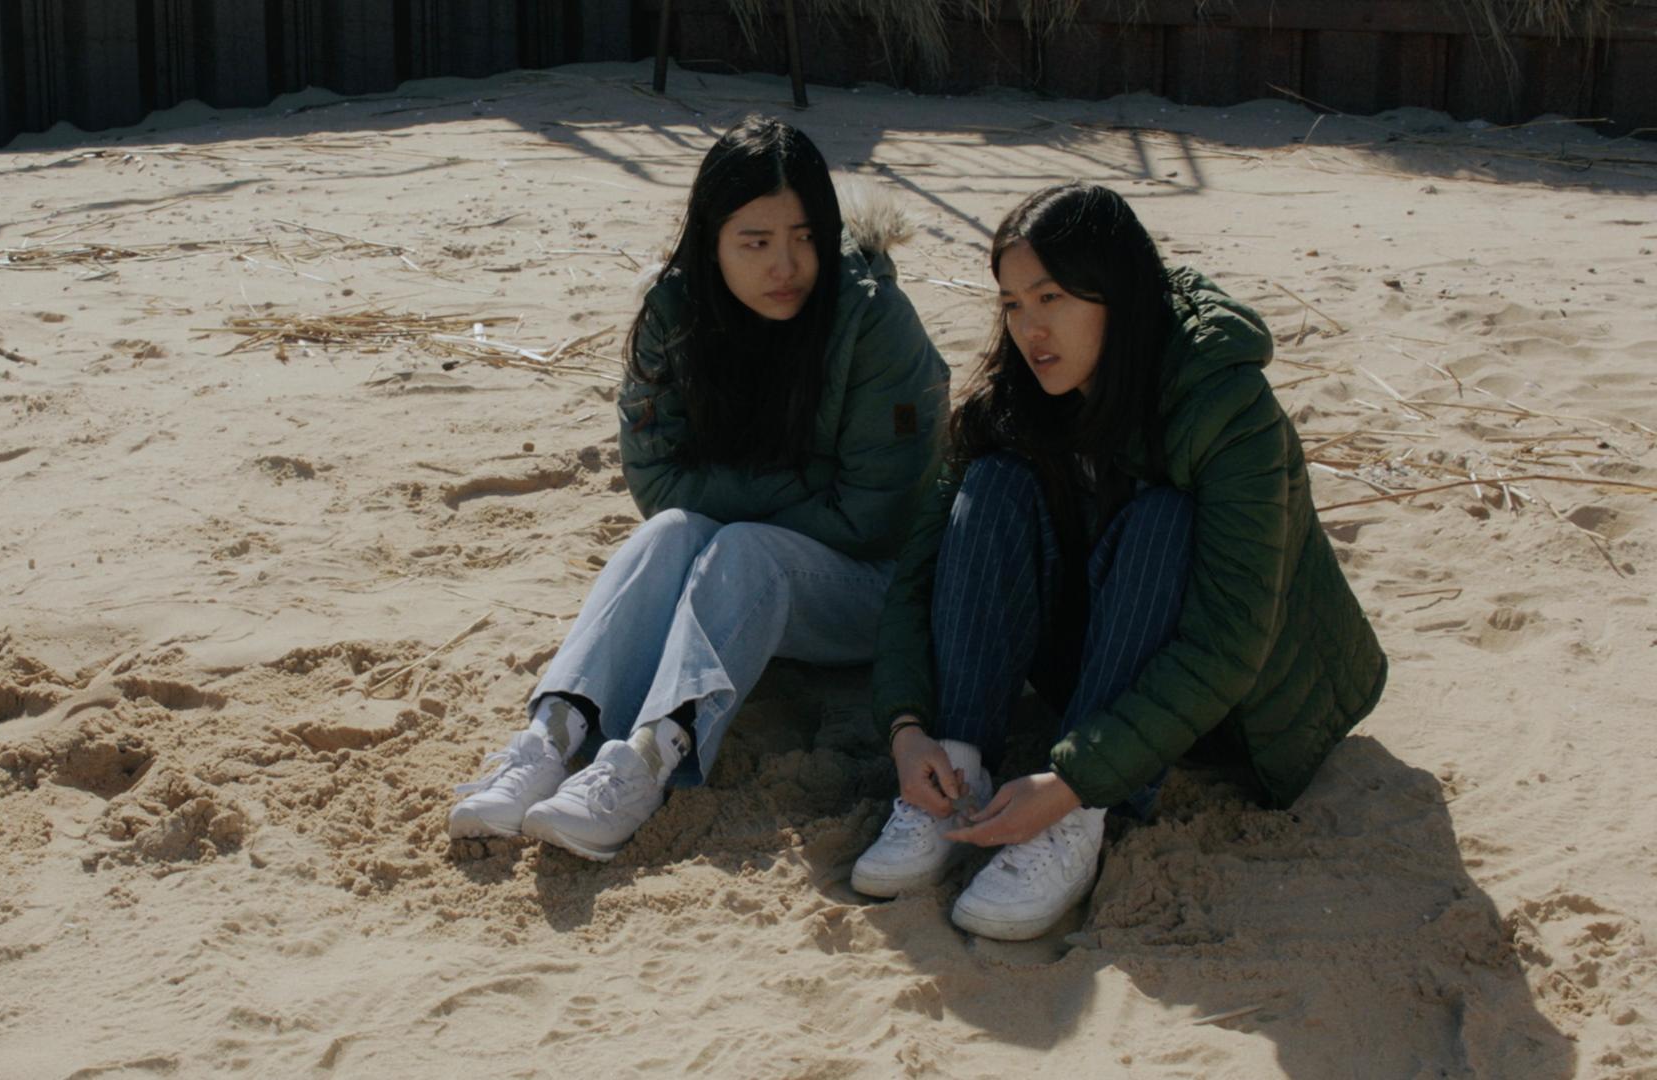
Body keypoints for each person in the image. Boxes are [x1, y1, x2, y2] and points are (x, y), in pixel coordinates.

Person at [851, 181, 1387, 939]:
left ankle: (1078, 822)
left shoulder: (1226, 407)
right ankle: (957, 771)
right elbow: (920, 576)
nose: (1031, 330)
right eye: (1012, 304)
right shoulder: (1020, 393)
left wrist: (1074, 783)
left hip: (1226, 701)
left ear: (1119, 293)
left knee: (1165, 516)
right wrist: (909, 729)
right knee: (993, 482)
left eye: (1052, 298)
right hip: (1096, 661)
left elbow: (1229, 642)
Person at [447, 116, 949, 861]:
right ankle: (549, 739)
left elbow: (876, 515)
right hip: (735, 578)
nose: (786, 265)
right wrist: (788, 490)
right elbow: (659, 483)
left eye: (806, 237)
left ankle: (646, 762)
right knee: (669, 532)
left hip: (875, 589)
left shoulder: (873, 321)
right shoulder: (675, 311)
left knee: (737, 545)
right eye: (756, 242)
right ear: (711, 240)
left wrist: (737, 510)